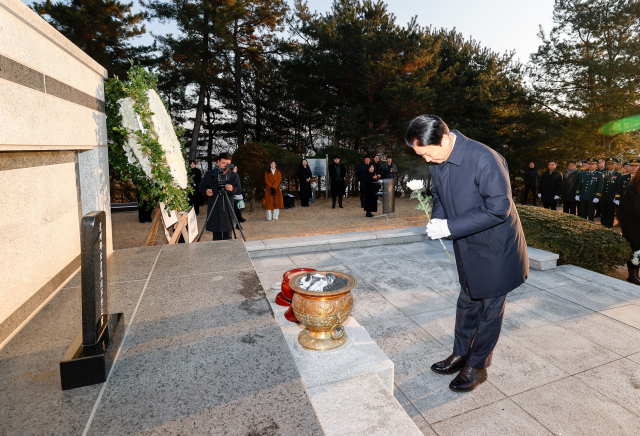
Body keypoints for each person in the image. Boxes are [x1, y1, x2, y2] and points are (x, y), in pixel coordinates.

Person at [406, 115, 528, 393]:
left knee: (490, 309)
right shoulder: (438, 160)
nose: (426, 160)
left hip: (497, 247)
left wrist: (452, 225)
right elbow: (439, 195)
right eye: (420, 155)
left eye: (427, 153)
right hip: (468, 242)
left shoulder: (484, 158)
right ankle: (461, 354)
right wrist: (440, 222)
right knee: (467, 300)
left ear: (445, 139)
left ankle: (478, 365)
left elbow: (499, 208)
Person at [198, 153, 242, 240]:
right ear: (218, 162)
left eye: (228, 164)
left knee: (228, 236)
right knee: (216, 237)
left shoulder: (234, 176)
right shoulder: (210, 174)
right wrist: (206, 191)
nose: (225, 166)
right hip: (215, 208)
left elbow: (239, 190)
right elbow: (200, 186)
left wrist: (233, 189)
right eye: (223, 163)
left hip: (228, 209)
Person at [620, 168, 640, 285]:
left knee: (639, 250)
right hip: (632, 225)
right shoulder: (631, 188)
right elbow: (636, 209)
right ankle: (631, 276)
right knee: (634, 249)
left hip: (638, 224)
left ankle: (636, 275)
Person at [600, 158, 621, 228]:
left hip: (612, 196)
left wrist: (617, 197)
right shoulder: (603, 173)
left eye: (611, 164)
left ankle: (609, 225)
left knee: (610, 211)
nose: (610, 165)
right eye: (608, 164)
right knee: (603, 211)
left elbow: (618, 187)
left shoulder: (618, 174)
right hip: (603, 196)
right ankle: (603, 224)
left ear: (615, 165)